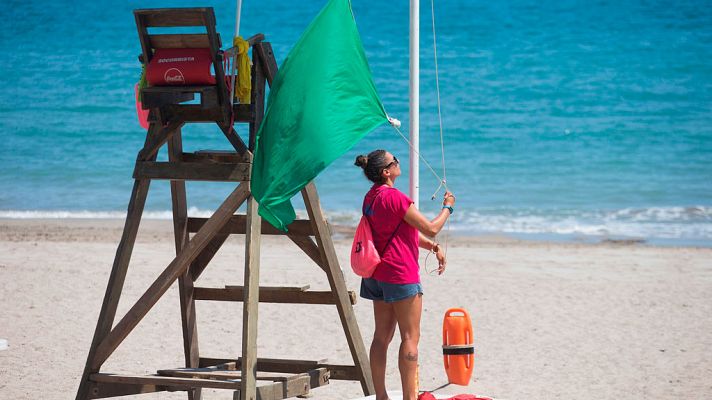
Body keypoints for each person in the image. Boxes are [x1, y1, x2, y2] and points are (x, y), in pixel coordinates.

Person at [354, 149, 456, 400]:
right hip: (400, 274)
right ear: (386, 172)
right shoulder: (396, 198)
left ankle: (381, 396)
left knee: (381, 336)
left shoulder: (370, 197)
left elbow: (402, 232)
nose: (399, 162)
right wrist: (448, 207)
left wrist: (433, 248)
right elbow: (431, 228)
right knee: (410, 338)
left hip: (376, 273)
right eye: (394, 161)